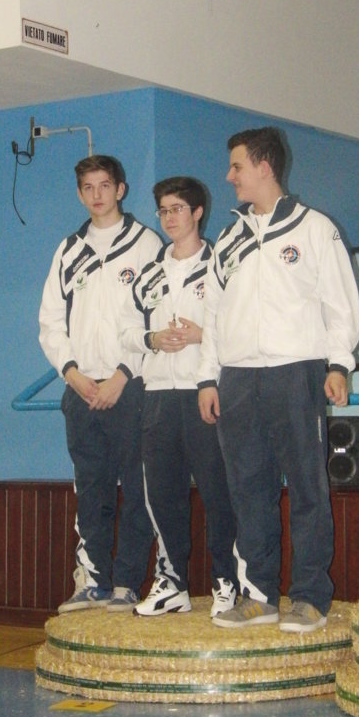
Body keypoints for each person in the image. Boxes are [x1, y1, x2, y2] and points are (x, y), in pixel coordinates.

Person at [198, 127, 359, 633]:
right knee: (249, 490)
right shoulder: (229, 239)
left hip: (297, 373)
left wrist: (339, 364)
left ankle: (310, 597)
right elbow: (212, 315)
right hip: (237, 378)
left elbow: (340, 303)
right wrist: (207, 379)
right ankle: (259, 594)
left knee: (308, 488)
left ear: (264, 166)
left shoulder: (315, 229)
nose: (229, 176)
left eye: (237, 166)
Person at [39, 154, 161, 613]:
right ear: (79, 194)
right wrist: (71, 373)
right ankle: (92, 581)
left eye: (105, 185)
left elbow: (157, 318)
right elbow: (51, 322)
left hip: (131, 388)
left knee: (137, 489)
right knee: (91, 490)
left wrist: (123, 375)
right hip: (81, 390)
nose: (97, 195)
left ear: (120, 189)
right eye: (88, 187)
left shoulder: (145, 244)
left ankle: (127, 582)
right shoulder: (68, 250)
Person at [121, 176, 238, 618]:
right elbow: (125, 330)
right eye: (163, 211)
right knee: (162, 495)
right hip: (157, 397)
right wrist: (151, 339)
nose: (169, 218)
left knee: (218, 493)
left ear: (198, 212)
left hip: (204, 393)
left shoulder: (221, 266)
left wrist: (202, 335)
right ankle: (171, 584)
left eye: (177, 209)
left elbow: (242, 328)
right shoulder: (149, 273)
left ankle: (226, 581)